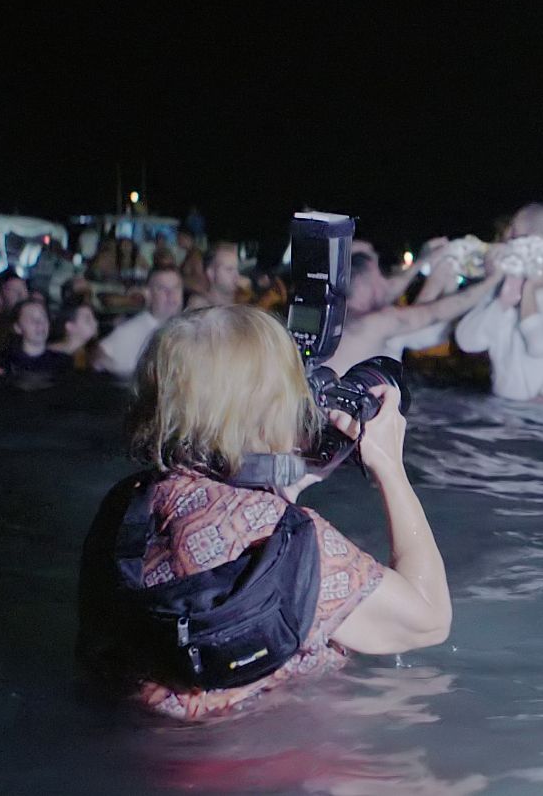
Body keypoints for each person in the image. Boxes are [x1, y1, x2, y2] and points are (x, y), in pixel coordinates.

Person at [76, 304, 450, 720]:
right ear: (265, 408)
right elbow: (428, 620)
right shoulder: (293, 540)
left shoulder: (130, 502)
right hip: (271, 761)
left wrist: (289, 478)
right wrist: (390, 468)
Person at [322, 252, 502, 375]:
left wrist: (424, 260)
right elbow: (435, 312)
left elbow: (393, 289)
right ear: (362, 282)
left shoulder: (333, 316)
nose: (385, 283)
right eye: (379, 277)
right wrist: (492, 280)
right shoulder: (371, 323)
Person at [454, 234, 543, 403]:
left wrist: (529, 288)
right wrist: (502, 302)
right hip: (502, 407)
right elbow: (467, 342)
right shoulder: (501, 291)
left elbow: (541, 345)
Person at [93, 268, 184, 377]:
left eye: (176, 288)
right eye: (162, 288)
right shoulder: (129, 331)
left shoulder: (191, 327)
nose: (171, 295)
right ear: (148, 294)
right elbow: (97, 357)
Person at [0, 299, 73, 376]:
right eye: (31, 319)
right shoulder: (4, 362)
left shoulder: (63, 362)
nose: (40, 324)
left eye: (43, 317)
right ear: (17, 327)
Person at [185, 241, 243, 309]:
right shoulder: (201, 307)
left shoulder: (244, 299)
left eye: (237, 269)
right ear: (211, 273)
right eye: (229, 269)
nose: (237, 275)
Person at [50, 296, 100, 370]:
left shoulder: (96, 354)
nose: (95, 323)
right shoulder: (51, 355)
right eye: (88, 320)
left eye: (94, 318)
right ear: (70, 326)